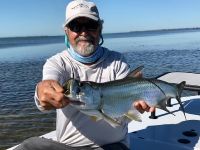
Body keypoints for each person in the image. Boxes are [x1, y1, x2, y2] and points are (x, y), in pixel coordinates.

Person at [15, 0, 155, 150]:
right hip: (66, 147)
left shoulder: (117, 62)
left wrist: (135, 108)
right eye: (76, 26)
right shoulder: (57, 63)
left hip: (111, 146)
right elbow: (47, 83)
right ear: (66, 31)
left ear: (100, 29)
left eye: (90, 25)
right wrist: (41, 92)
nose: (84, 32)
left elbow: (123, 118)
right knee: (29, 146)